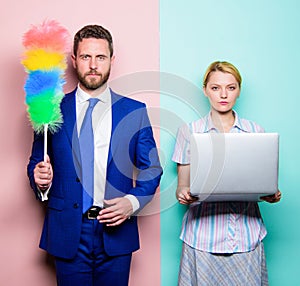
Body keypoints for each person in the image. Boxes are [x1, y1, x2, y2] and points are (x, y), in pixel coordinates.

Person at [27, 24, 162, 286]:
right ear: (74, 60)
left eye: (100, 57)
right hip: (67, 230)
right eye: (86, 56)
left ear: (111, 60)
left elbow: (152, 168)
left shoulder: (133, 110)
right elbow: (36, 161)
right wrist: (39, 179)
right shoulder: (50, 110)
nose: (93, 65)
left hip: (116, 231)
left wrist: (132, 203)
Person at [172, 61, 281, 285]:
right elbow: (182, 187)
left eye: (231, 88)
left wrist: (271, 194)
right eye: (215, 88)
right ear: (205, 90)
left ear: (239, 91)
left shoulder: (255, 131)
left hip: (245, 236)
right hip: (202, 237)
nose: (223, 94)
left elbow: (263, 181)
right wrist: (184, 193)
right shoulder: (189, 131)